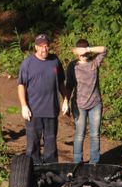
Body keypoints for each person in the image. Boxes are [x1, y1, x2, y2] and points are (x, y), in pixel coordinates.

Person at [17, 34, 69, 164]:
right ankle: (32, 169)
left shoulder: (55, 61)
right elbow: (21, 85)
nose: (44, 49)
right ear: (35, 47)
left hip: (51, 110)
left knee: (51, 143)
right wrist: (24, 105)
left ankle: (51, 169)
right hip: (33, 111)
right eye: (41, 46)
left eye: (46, 46)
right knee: (33, 144)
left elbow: (61, 83)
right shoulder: (27, 63)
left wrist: (66, 100)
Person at [66, 39, 107, 164]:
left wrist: (88, 49)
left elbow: (105, 49)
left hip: (95, 104)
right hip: (79, 105)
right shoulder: (73, 65)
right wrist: (65, 102)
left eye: (84, 51)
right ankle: (77, 161)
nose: (83, 54)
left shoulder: (95, 62)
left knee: (95, 134)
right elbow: (69, 86)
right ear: (77, 52)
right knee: (80, 133)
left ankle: (94, 162)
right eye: (80, 51)